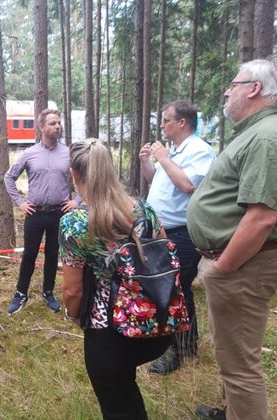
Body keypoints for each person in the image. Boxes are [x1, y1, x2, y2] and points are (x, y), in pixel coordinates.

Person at [187, 59, 277, 420]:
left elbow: (263, 216)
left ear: (254, 88)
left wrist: (221, 268)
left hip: (241, 265)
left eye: (233, 84)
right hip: (237, 264)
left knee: (240, 366)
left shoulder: (267, 136)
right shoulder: (256, 132)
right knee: (232, 354)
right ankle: (231, 412)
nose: (227, 90)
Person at [60, 139, 173, 420]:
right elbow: (165, 256)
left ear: (74, 174)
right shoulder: (143, 208)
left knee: (117, 406)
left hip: (108, 333)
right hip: (153, 322)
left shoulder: (75, 222)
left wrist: (73, 315)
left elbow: (72, 291)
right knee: (127, 394)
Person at [139, 100, 216, 374]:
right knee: (167, 286)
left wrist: (163, 158)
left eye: (166, 120)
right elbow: (155, 181)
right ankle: (174, 341)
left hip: (182, 233)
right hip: (160, 230)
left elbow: (187, 185)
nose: (162, 126)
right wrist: (147, 162)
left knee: (177, 288)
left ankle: (180, 348)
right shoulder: (174, 151)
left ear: (182, 122)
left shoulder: (199, 150)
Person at [4, 109, 79, 314]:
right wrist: (19, 202)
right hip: (35, 213)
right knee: (29, 254)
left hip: (59, 214)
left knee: (53, 254)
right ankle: (21, 293)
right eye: (53, 123)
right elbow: (9, 178)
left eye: (59, 123)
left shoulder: (68, 153)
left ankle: (48, 292)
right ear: (42, 127)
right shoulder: (29, 153)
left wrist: (77, 201)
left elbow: (85, 177)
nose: (58, 126)